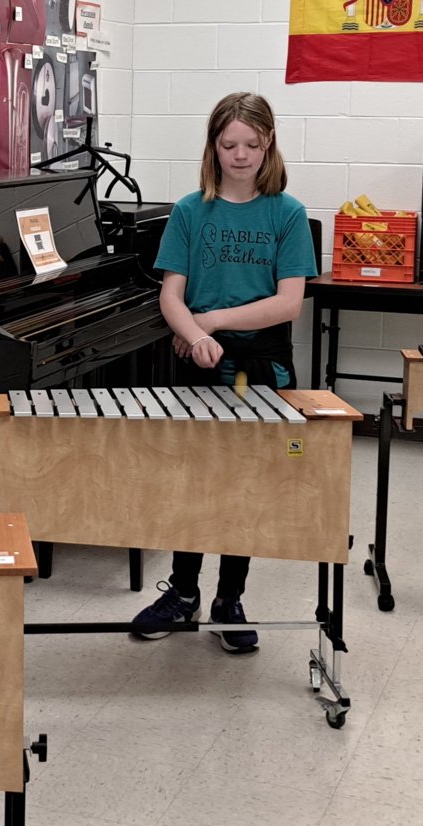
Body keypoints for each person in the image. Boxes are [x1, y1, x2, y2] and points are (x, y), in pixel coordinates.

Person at [130, 92, 317, 654]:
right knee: (194, 480)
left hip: (261, 367)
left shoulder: (287, 213)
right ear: (213, 146)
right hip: (199, 364)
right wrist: (194, 336)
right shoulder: (191, 211)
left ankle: (228, 598)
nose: (239, 155)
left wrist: (211, 321)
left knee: (243, 487)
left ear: (268, 147)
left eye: (251, 145)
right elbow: (170, 295)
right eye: (228, 143)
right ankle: (183, 592)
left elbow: (287, 304)